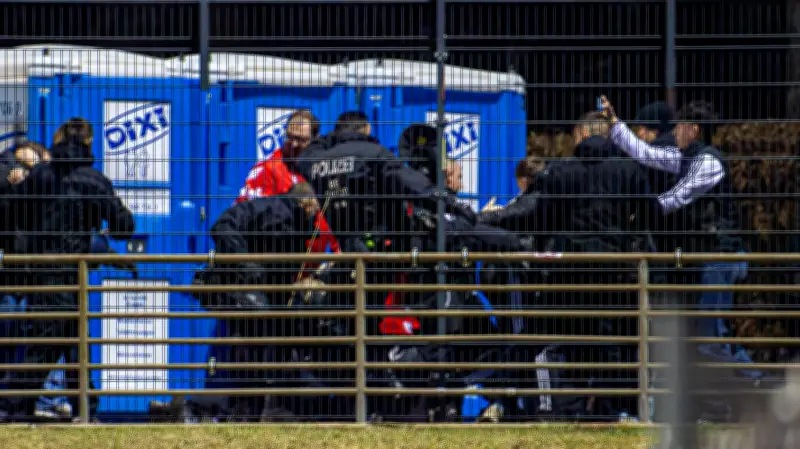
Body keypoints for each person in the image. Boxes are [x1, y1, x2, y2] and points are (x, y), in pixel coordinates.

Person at [601, 96, 760, 384]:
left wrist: (643, 209)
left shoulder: (709, 162)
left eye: (679, 127)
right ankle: (744, 390)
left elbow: (679, 197)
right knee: (710, 334)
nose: (673, 132)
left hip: (720, 258)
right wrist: (615, 123)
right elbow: (647, 154)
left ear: (694, 130)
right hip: (709, 257)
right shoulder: (690, 158)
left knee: (711, 337)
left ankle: (758, 382)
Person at [0, 118, 135, 421]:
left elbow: (11, 212)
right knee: (56, 343)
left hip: (41, 269)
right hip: (76, 271)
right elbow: (124, 226)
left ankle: (72, 408)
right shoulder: (93, 180)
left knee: (61, 340)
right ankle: (22, 406)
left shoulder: (40, 176)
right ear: (88, 143)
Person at [236, 109, 339, 260]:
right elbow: (246, 218)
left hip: (311, 266)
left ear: (315, 139)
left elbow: (333, 219)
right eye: (290, 137)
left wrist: (340, 254)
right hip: (276, 266)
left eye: (301, 139)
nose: (294, 144)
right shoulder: (267, 170)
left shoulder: (321, 170)